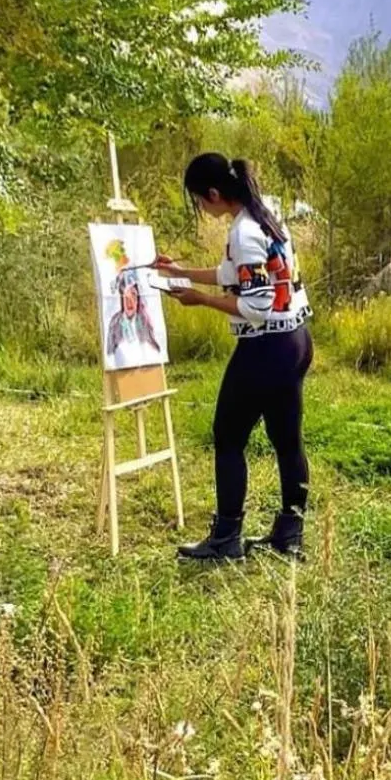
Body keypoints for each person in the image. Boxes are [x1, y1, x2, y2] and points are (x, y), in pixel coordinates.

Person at [156, 154, 312, 561]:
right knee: (287, 440)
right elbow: (236, 274)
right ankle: (288, 535)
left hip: (266, 348)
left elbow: (256, 306)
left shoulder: (244, 232)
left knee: (227, 437)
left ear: (212, 194)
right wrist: (182, 272)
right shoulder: (266, 215)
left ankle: (226, 539)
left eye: (200, 202)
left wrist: (200, 301)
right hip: (295, 340)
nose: (203, 211)